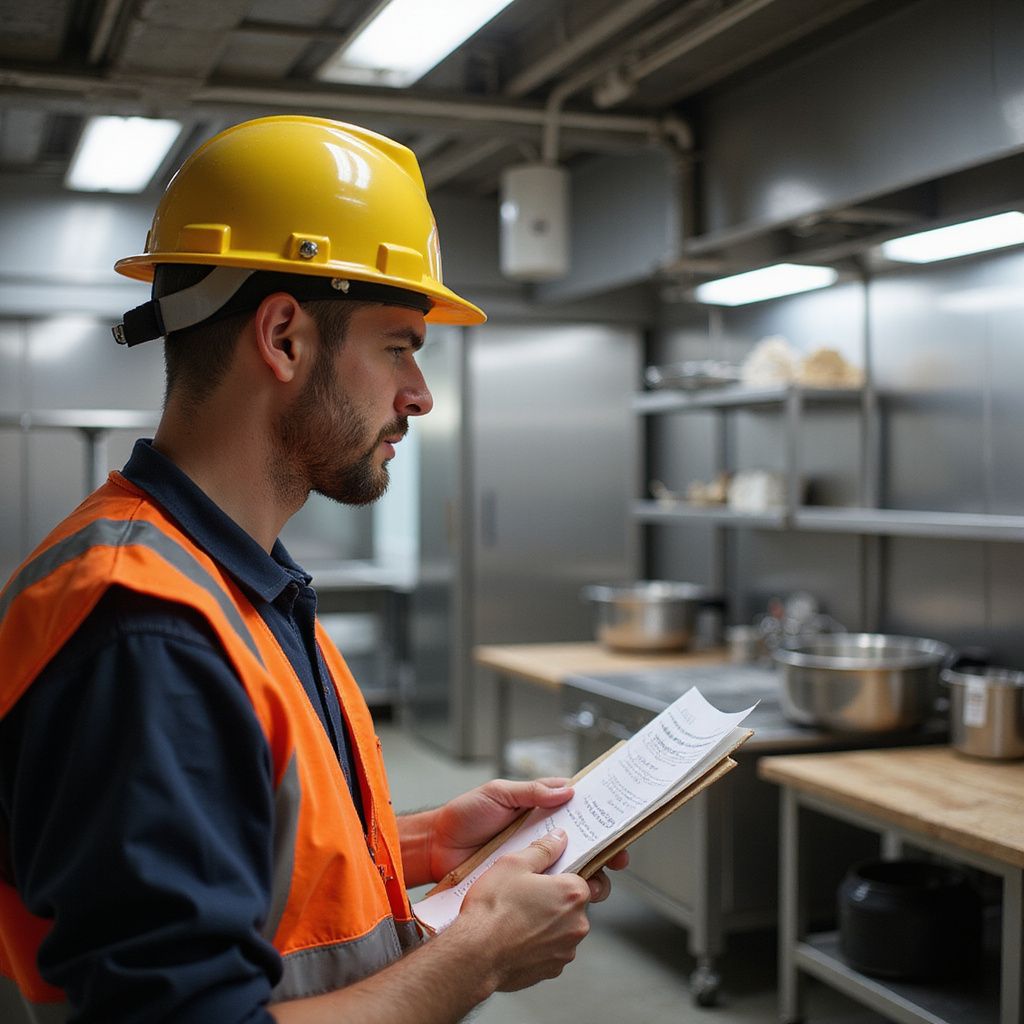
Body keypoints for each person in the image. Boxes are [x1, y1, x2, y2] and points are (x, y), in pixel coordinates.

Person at [0, 116, 625, 1024]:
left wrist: (425, 844)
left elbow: (246, 861)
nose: (420, 395)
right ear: (284, 337)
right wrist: (478, 956)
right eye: (400, 345)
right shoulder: (145, 630)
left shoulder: (240, 583)